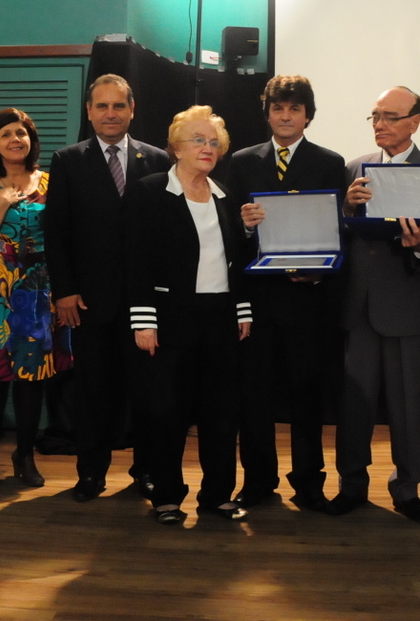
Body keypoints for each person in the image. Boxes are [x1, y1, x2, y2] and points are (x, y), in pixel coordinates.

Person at [124, 105, 252, 525]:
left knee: (222, 412)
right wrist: (144, 320)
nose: (207, 148)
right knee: (166, 411)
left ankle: (217, 496)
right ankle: (166, 496)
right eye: (198, 139)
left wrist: (242, 310)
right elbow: (135, 261)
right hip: (169, 315)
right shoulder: (147, 191)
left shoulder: (225, 196)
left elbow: (237, 261)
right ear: (175, 146)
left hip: (220, 316)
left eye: (214, 142)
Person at [225, 75, 348, 512]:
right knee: (253, 395)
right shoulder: (241, 162)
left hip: (308, 300)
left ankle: (308, 482)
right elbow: (229, 233)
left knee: (306, 395)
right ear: (267, 113)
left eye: (295, 109)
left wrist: (318, 273)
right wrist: (244, 224)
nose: (286, 116)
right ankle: (258, 480)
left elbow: (337, 233)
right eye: (278, 108)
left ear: (308, 116)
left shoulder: (331, 163)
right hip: (256, 299)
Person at [45, 74, 170, 502]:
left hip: (145, 303)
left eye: (118, 106)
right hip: (88, 301)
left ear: (132, 109)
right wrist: (63, 291)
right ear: (89, 111)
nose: (110, 114)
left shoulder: (157, 160)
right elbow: (56, 232)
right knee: (93, 393)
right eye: (102, 106)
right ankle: (91, 473)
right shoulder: (66, 161)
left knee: (147, 395)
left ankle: (147, 472)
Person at [327, 86, 420, 524]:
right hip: (359, 308)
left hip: (410, 309)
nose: (380, 124)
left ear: (415, 121)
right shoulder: (354, 168)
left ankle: (408, 488)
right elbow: (339, 235)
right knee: (354, 406)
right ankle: (352, 485)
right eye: (375, 115)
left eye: (390, 116)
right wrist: (346, 208)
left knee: (406, 407)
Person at [0, 108, 56, 490]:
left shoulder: (51, 181)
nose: (16, 139)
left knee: (31, 381)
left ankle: (25, 454)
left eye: (22, 133)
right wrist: (2, 201)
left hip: (36, 294)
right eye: (6, 134)